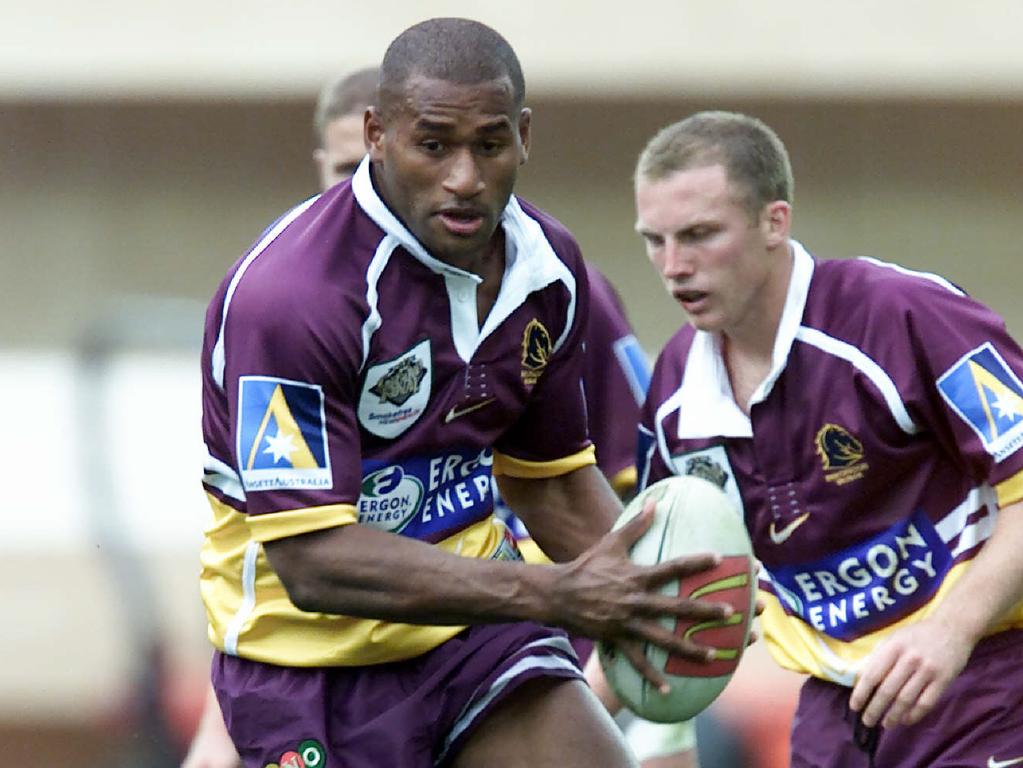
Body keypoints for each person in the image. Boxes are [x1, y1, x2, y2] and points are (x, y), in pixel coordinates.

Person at [197, 19, 730, 768]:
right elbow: (313, 563)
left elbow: (547, 481)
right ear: (377, 134)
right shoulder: (292, 297)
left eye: (489, 144)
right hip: (304, 664)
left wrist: (653, 597)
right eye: (434, 144)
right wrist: (556, 596)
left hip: (472, 639)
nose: (465, 179)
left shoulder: (547, 270)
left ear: (524, 137)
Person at [632, 110, 1023, 767]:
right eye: (654, 240)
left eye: (700, 235)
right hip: (832, 714)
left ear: (772, 222)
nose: (673, 266)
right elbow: (672, 591)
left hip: (986, 683)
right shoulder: (673, 395)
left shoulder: (898, 314)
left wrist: (949, 631)